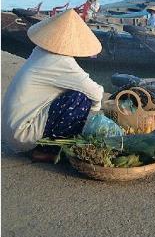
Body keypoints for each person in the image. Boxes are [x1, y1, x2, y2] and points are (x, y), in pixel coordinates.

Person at [2, 9, 104, 161]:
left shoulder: (39, 51)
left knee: (74, 92)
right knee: (80, 98)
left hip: (11, 129)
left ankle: (43, 145)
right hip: (22, 134)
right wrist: (93, 110)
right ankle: (47, 149)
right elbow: (96, 92)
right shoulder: (61, 62)